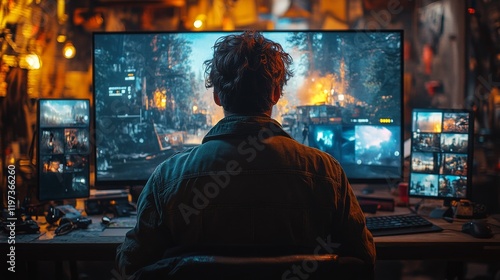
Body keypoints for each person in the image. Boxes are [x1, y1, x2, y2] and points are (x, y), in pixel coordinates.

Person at [116, 30, 375, 277]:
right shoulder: (326, 173)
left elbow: (130, 264)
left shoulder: (168, 179)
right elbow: (362, 260)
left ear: (217, 96)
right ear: (275, 94)